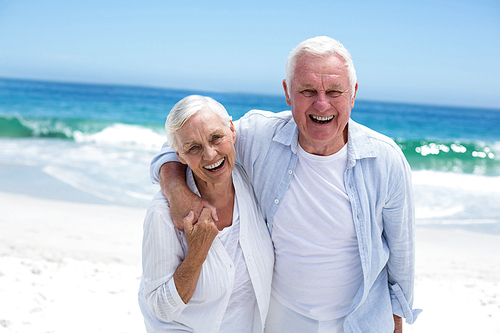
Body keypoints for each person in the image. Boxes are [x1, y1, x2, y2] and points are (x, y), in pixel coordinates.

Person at [150, 36, 421, 332]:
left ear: (353, 94)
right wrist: (177, 191)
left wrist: (396, 320)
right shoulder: (259, 136)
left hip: (360, 319)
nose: (321, 104)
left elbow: (402, 250)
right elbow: (183, 144)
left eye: (334, 91)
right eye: (307, 90)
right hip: (281, 319)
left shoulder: (385, 159)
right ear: (287, 92)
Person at [138, 95, 274, 333]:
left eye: (216, 138)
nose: (210, 155)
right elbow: (161, 308)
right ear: (179, 156)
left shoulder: (252, 183)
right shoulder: (163, 214)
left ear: (232, 131)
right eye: (194, 148)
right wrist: (197, 253)